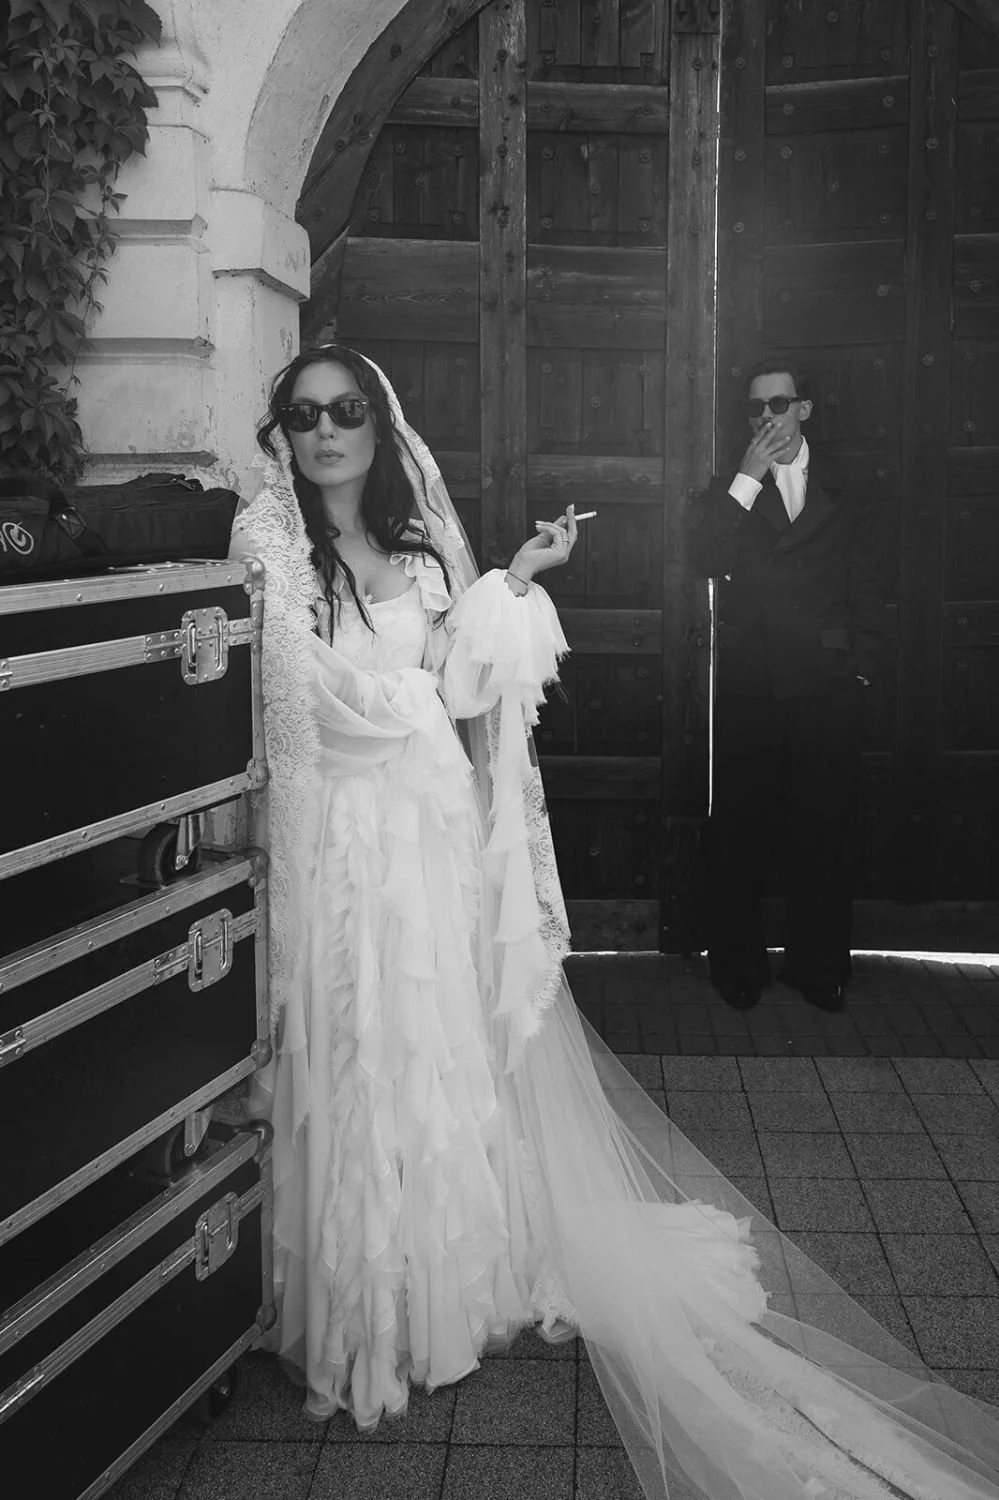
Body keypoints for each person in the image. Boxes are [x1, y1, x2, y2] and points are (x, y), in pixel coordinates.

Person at [230, 345, 999, 1500]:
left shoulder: (415, 544)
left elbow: (460, 682)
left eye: (349, 410)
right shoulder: (268, 544)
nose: (328, 430)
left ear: (381, 426)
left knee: (439, 1054)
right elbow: (303, 701)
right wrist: (422, 703)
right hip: (344, 843)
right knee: (357, 1045)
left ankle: (451, 1276)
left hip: (429, 838)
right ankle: (365, 1298)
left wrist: (515, 580)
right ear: (281, 431)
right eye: (305, 414)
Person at [688, 362, 885, 1014]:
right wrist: (745, 477)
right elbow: (706, 559)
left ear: (802, 408)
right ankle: (737, 967)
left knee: (824, 832)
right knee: (738, 832)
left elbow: (871, 581)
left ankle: (818, 967)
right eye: (753, 409)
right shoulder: (730, 488)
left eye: (777, 403)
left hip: (826, 685)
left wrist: (859, 665)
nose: (765, 417)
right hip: (750, 683)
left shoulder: (845, 485)